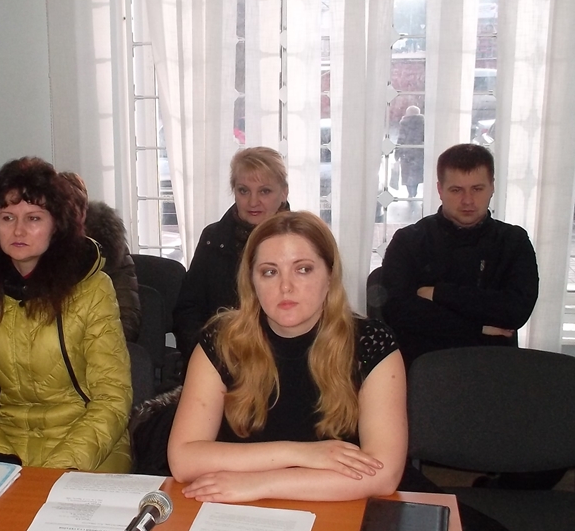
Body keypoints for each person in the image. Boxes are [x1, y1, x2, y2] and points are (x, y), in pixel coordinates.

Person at [167, 211, 407, 503]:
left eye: (303, 269)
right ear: (252, 281)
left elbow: (384, 474)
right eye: (270, 272)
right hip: (240, 510)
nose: (285, 287)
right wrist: (301, 454)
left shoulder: (370, 342)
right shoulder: (222, 340)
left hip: (339, 507)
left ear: (330, 276)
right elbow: (183, 460)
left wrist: (261, 484)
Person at [0, 157, 132, 471]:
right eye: (7, 217)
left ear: (56, 225)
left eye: (33, 218)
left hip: (88, 447)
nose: (18, 230)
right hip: (2, 444)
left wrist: (63, 465)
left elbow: (113, 397)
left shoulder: (94, 289)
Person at [380, 143, 539, 367]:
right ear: (440, 190)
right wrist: (479, 328)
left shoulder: (513, 241)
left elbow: (515, 312)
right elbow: (399, 314)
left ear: (492, 187)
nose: (467, 201)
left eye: (477, 189)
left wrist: (438, 293)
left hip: (496, 369)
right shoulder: (409, 241)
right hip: (424, 369)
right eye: (456, 190)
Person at [173, 147, 289, 364]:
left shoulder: (302, 243)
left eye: (264, 191)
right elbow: (188, 311)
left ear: (284, 193)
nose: (253, 202)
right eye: (243, 191)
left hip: (285, 360)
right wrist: (209, 358)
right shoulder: (213, 238)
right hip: (219, 360)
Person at [58, 171, 141, 342]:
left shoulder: (110, 248)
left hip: (99, 344)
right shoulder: (38, 249)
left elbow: (126, 318)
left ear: (84, 210)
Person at [395, 104, 425, 197]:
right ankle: (414, 189)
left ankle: (410, 192)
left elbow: (401, 139)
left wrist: (397, 152)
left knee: (406, 173)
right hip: (418, 152)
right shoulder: (423, 123)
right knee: (416, 173)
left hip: (406, 153)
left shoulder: (404, 123)